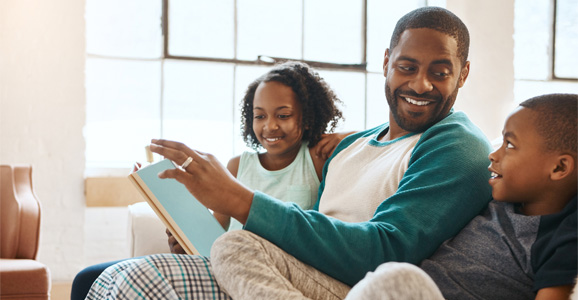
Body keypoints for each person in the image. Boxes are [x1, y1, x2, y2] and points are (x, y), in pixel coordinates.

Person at [85, 6, 494, 299]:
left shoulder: (455, 143)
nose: (421, 84)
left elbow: (386, 250)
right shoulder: (350, 145)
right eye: (407, 67)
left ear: (464, 73)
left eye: (439, 72)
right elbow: (314, 220)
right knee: (93, 280)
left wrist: (238, 199)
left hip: (352, 285)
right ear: (386, 62)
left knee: (205, 257)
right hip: (291, 273)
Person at [72, 61, 347, 299]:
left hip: (268, 273)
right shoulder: (239, 165)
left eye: (283, 115)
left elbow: (381, 139)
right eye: (259, 116)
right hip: (221, 261)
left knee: (125, 278)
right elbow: (214, 234)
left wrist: (343, 136)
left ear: (308, 117)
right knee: (87, 278)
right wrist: (183, 239)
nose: (269, 126)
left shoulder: (315, 159)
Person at [344, 93, 578, 300]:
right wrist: (356, 139)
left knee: (396, 277)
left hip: (407, 286)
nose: (493, 154)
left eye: (509, 145)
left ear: (559, 168)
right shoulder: (496, 196)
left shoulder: (564, 238)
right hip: (411, 289)